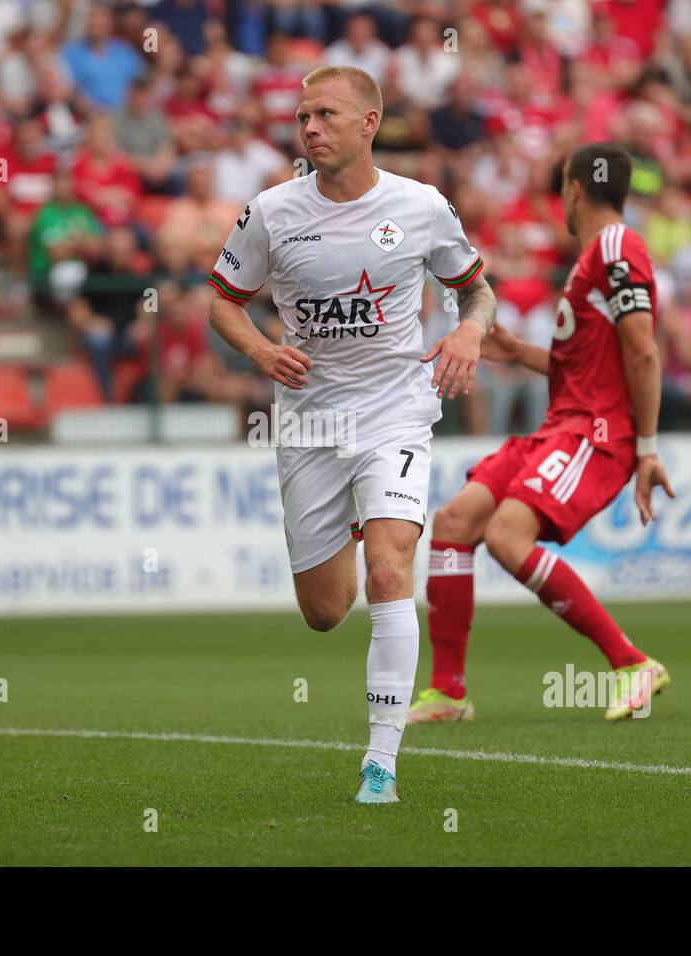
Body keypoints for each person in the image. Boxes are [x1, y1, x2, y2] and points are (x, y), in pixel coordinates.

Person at [206, 66, 494, 804]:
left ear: (370, 123)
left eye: (325, 116)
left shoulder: (421, 206)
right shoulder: (271, 211)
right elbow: (223, 304)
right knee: (326, 612)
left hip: (395, 408)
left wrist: (468, 330)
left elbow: (477, 289)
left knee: (392, 567)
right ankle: (358, 535)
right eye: (303, 117)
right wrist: (262, 350)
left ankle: (381, 762)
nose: (309, 129)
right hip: (310, 422)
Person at [408, 142, 674, 725]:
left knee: (506, 536)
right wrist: (516, 350)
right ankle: (449, 692)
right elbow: (581, 367)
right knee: (453, 525)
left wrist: (646, 449)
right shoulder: (591, 261)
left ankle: (632, 663)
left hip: (596, 434)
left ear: (574, 190)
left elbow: (643, 351)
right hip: (561, 427)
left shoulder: (615, 247)